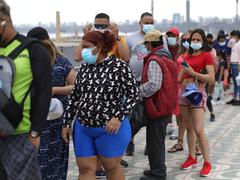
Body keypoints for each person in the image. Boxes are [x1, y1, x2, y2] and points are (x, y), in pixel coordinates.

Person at [62, 30, 139, 180]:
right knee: (85, 169)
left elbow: (133, 94)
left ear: (99, 46)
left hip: (110, 129)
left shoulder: (119, 66)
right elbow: (76, 96)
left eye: (86, 46)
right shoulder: (84, 68)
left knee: (111, 167)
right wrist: (66, 122)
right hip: (83, 127)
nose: (83, 50)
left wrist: (118, 117)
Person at [0, 1, 52, 179]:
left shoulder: (34, 49)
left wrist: (35, 132)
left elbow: (45, 91)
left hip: (21, 134)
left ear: (3, 21)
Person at [27, 27, 76, 180]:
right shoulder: (27, 61)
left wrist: (55, 90)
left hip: (57, 121)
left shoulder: (61, 61)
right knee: (35, 162)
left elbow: (76, 86)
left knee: (57, 161)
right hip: (35, 122)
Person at [139, 30, 178, 180]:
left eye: (145, 44)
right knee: (156, 140)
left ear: (149, 44)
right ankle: (157, 168)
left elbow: (154, 85)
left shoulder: (155, 59)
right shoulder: (167, 55)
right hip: (166, 104)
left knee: (155, 141)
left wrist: (138, 92)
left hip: (158, 105)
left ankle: (158, 173)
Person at [179, 29, 214, 177]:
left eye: (197, 40)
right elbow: (180, 77)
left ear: (203, 41)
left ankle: (207, 162)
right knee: (189, 127)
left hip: (197, 94)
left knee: (199, 129)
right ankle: (192, 157)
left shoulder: (206, 56)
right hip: (183, 94)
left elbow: (211, 78)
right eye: (192, 40)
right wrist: (182, 72)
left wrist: (194, 74)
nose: (194, 42)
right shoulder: (187, 55)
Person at [125, 12, 155, 156]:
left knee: (150, 114)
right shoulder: (131, 38)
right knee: (133, 114)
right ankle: (130, 141)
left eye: (151, 22)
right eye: (146, 22)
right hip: (134, 81)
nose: (148, 25)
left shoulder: (158, 38)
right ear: (140, 23)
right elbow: (126, 58)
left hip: (151, 81)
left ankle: (150, 145)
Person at [226, 30, 240, 106]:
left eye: (232, 36)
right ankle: (235, 98)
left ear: (236, 36)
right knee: (235, 82)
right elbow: (228, 46)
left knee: (239, 82)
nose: (231, 38)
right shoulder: (235, 43)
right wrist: (232, 40)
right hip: (233, 64)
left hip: (237, 64)